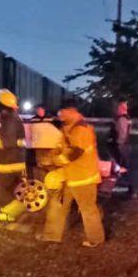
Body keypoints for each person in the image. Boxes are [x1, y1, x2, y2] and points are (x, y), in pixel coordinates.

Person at [38, 99, 105, 247]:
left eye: (61, 112)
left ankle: (95, 239)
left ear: (71, 111)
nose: (59, 115)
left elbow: (75, 152)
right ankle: (51, 236)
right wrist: (50, 155)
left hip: (83, 177)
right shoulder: (67, 128)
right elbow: (61, 146)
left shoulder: (81, 129)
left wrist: (54, 160)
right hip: (69, 175)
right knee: (58, 204)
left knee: (88, 209)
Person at [0, 89, 27, 230]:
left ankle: (5, 219)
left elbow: (7, 142)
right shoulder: (14, 117)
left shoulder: (8, 118)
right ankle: (14, 216)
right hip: (15, 162)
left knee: (4, 194)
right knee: (13, 191)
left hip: (8, 163)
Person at [107, 98, 135, 196]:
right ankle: (128, 189)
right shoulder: (125, 118)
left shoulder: (122, 119)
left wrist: (118, 144)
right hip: (124, 146)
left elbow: (122, 134)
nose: (115, 109)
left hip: (122, 146)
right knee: (124, 167)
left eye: (117, 107)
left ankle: (127, 189)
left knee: (120, 167)